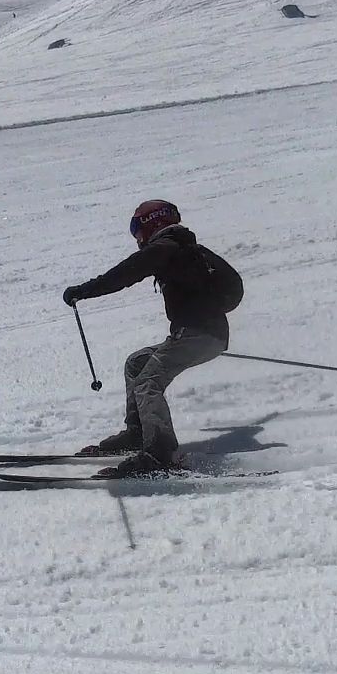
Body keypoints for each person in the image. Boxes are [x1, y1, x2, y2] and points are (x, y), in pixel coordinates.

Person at [62, 200, 242, 478]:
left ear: (150, 224)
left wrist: (84, 291)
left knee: (148, 382)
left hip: (197, 334)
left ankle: (161, 453)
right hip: (204, 334)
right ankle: (139, 433)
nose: (137, 238)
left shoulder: (166, 248)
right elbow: (233, 290)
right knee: (137, 364)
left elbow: (126, 273)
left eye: (136, 229)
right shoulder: (189, 250)